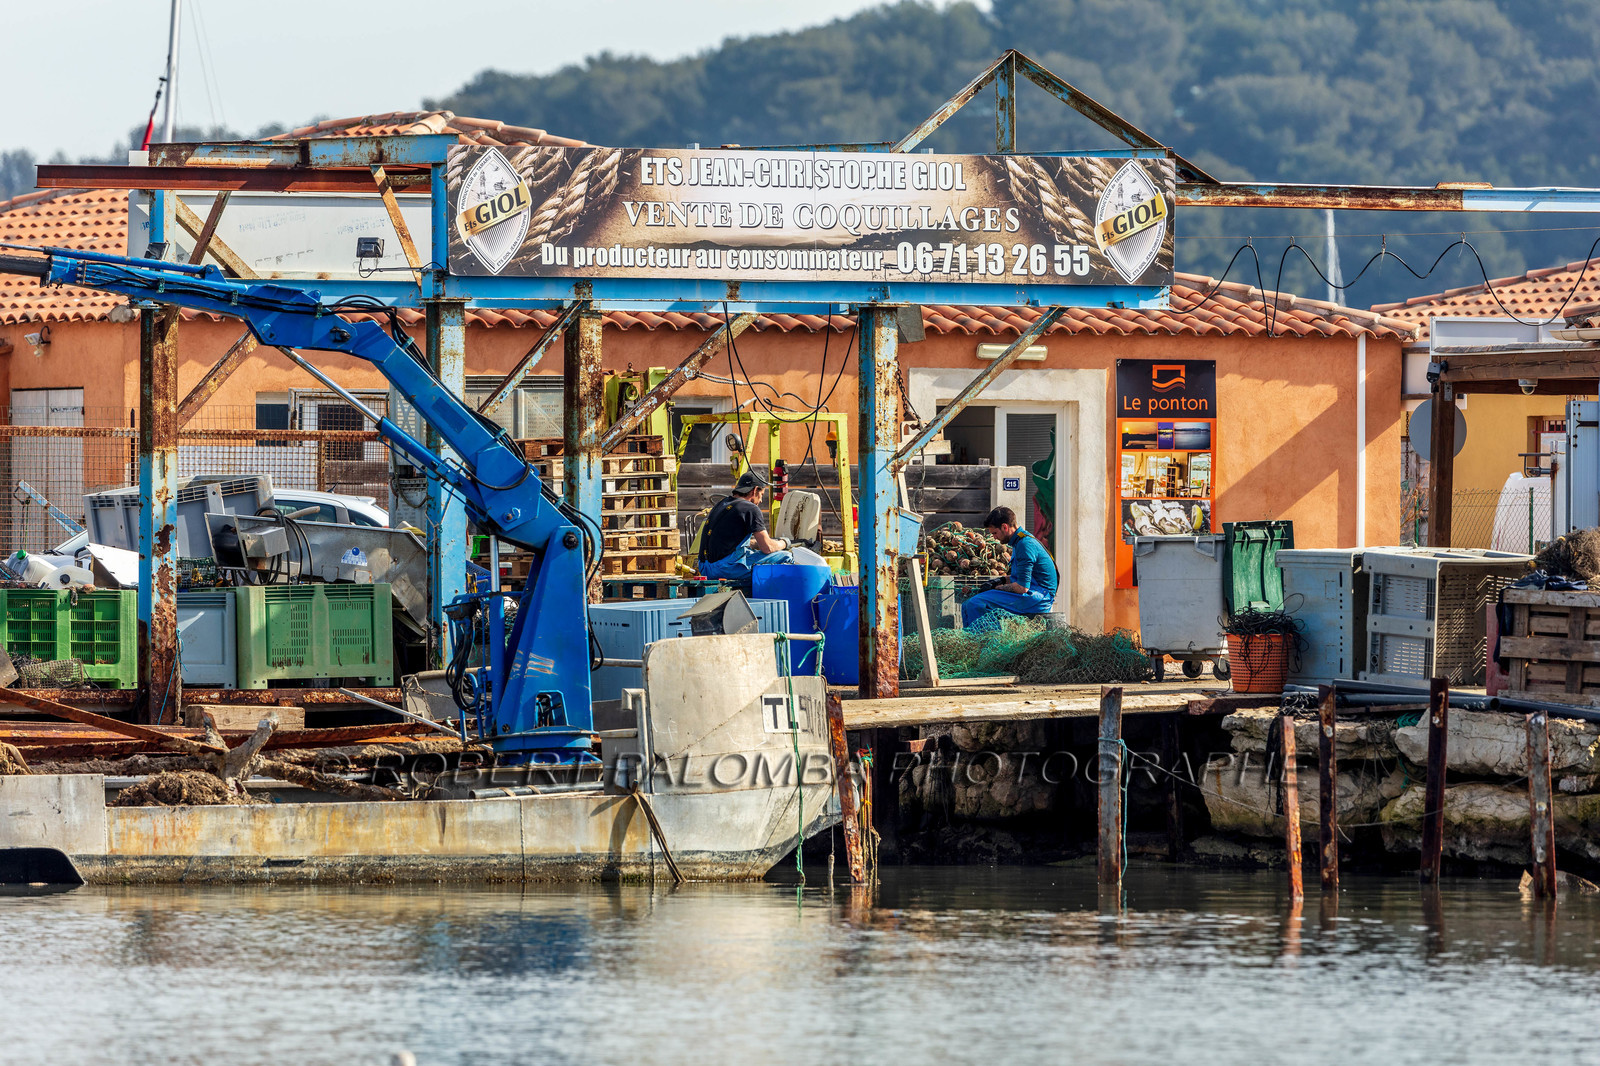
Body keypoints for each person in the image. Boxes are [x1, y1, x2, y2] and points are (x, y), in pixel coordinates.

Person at [961, 506, 1058, 630]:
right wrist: (999, 580)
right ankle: (981, 641)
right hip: (1034, 593)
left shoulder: (1025, 545)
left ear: (1005, 527)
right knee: (968, 604)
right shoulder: (1020, 542)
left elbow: (1022, 587)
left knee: (976, 603)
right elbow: (1019, 578)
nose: (994, 537)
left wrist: (997, 588)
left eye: (995, 533)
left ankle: (988, 644)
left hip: (1038, 598)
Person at [697, 470, 792, 591]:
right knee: (786, 557)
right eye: (762, 494)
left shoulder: (721, 504)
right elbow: (767, 547)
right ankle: (769, 596)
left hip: (705, 568)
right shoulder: (750, 508)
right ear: (755, 490)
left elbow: (731, 543)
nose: (761, 500)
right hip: (724, 568)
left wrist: (757, 544)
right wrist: (784, 542)